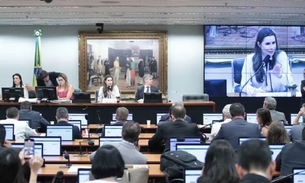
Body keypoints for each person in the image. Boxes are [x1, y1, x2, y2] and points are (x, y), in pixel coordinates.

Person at [240, 27, 293, 96]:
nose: (272, 47)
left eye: (273, 43)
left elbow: (290, 83)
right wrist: (256, 91)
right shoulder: (249, 59)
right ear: (259, 44)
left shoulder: (281, 56)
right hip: (259, 99)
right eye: (267, 44)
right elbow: (244, 86)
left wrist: (280, 76)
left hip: (279, 98)